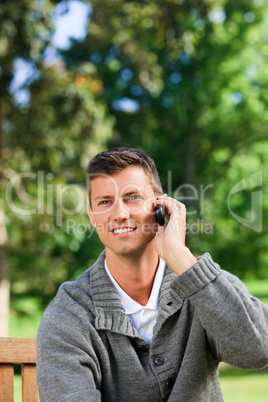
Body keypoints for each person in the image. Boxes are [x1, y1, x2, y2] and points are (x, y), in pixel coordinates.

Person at [36, 147, 268, 402]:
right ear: (92, 216)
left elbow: (258, 351)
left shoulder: (202, 284)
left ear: (160, 206)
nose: (120, 214)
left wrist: (179, 255)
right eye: (105, 202)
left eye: (132, 197)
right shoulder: (69, 315)